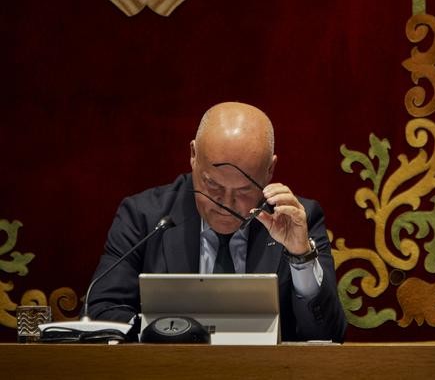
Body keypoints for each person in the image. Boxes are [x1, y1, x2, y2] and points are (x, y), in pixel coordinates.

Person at [86, 102, 347, 342]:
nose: (226, 202)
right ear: (193, 155)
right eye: (211, 184)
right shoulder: (144, 216)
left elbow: (329, 337)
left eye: (244, 190)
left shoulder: (298, 220)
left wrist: (300, 256)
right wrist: (160, 335)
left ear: (269, 170)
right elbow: (103, 311)